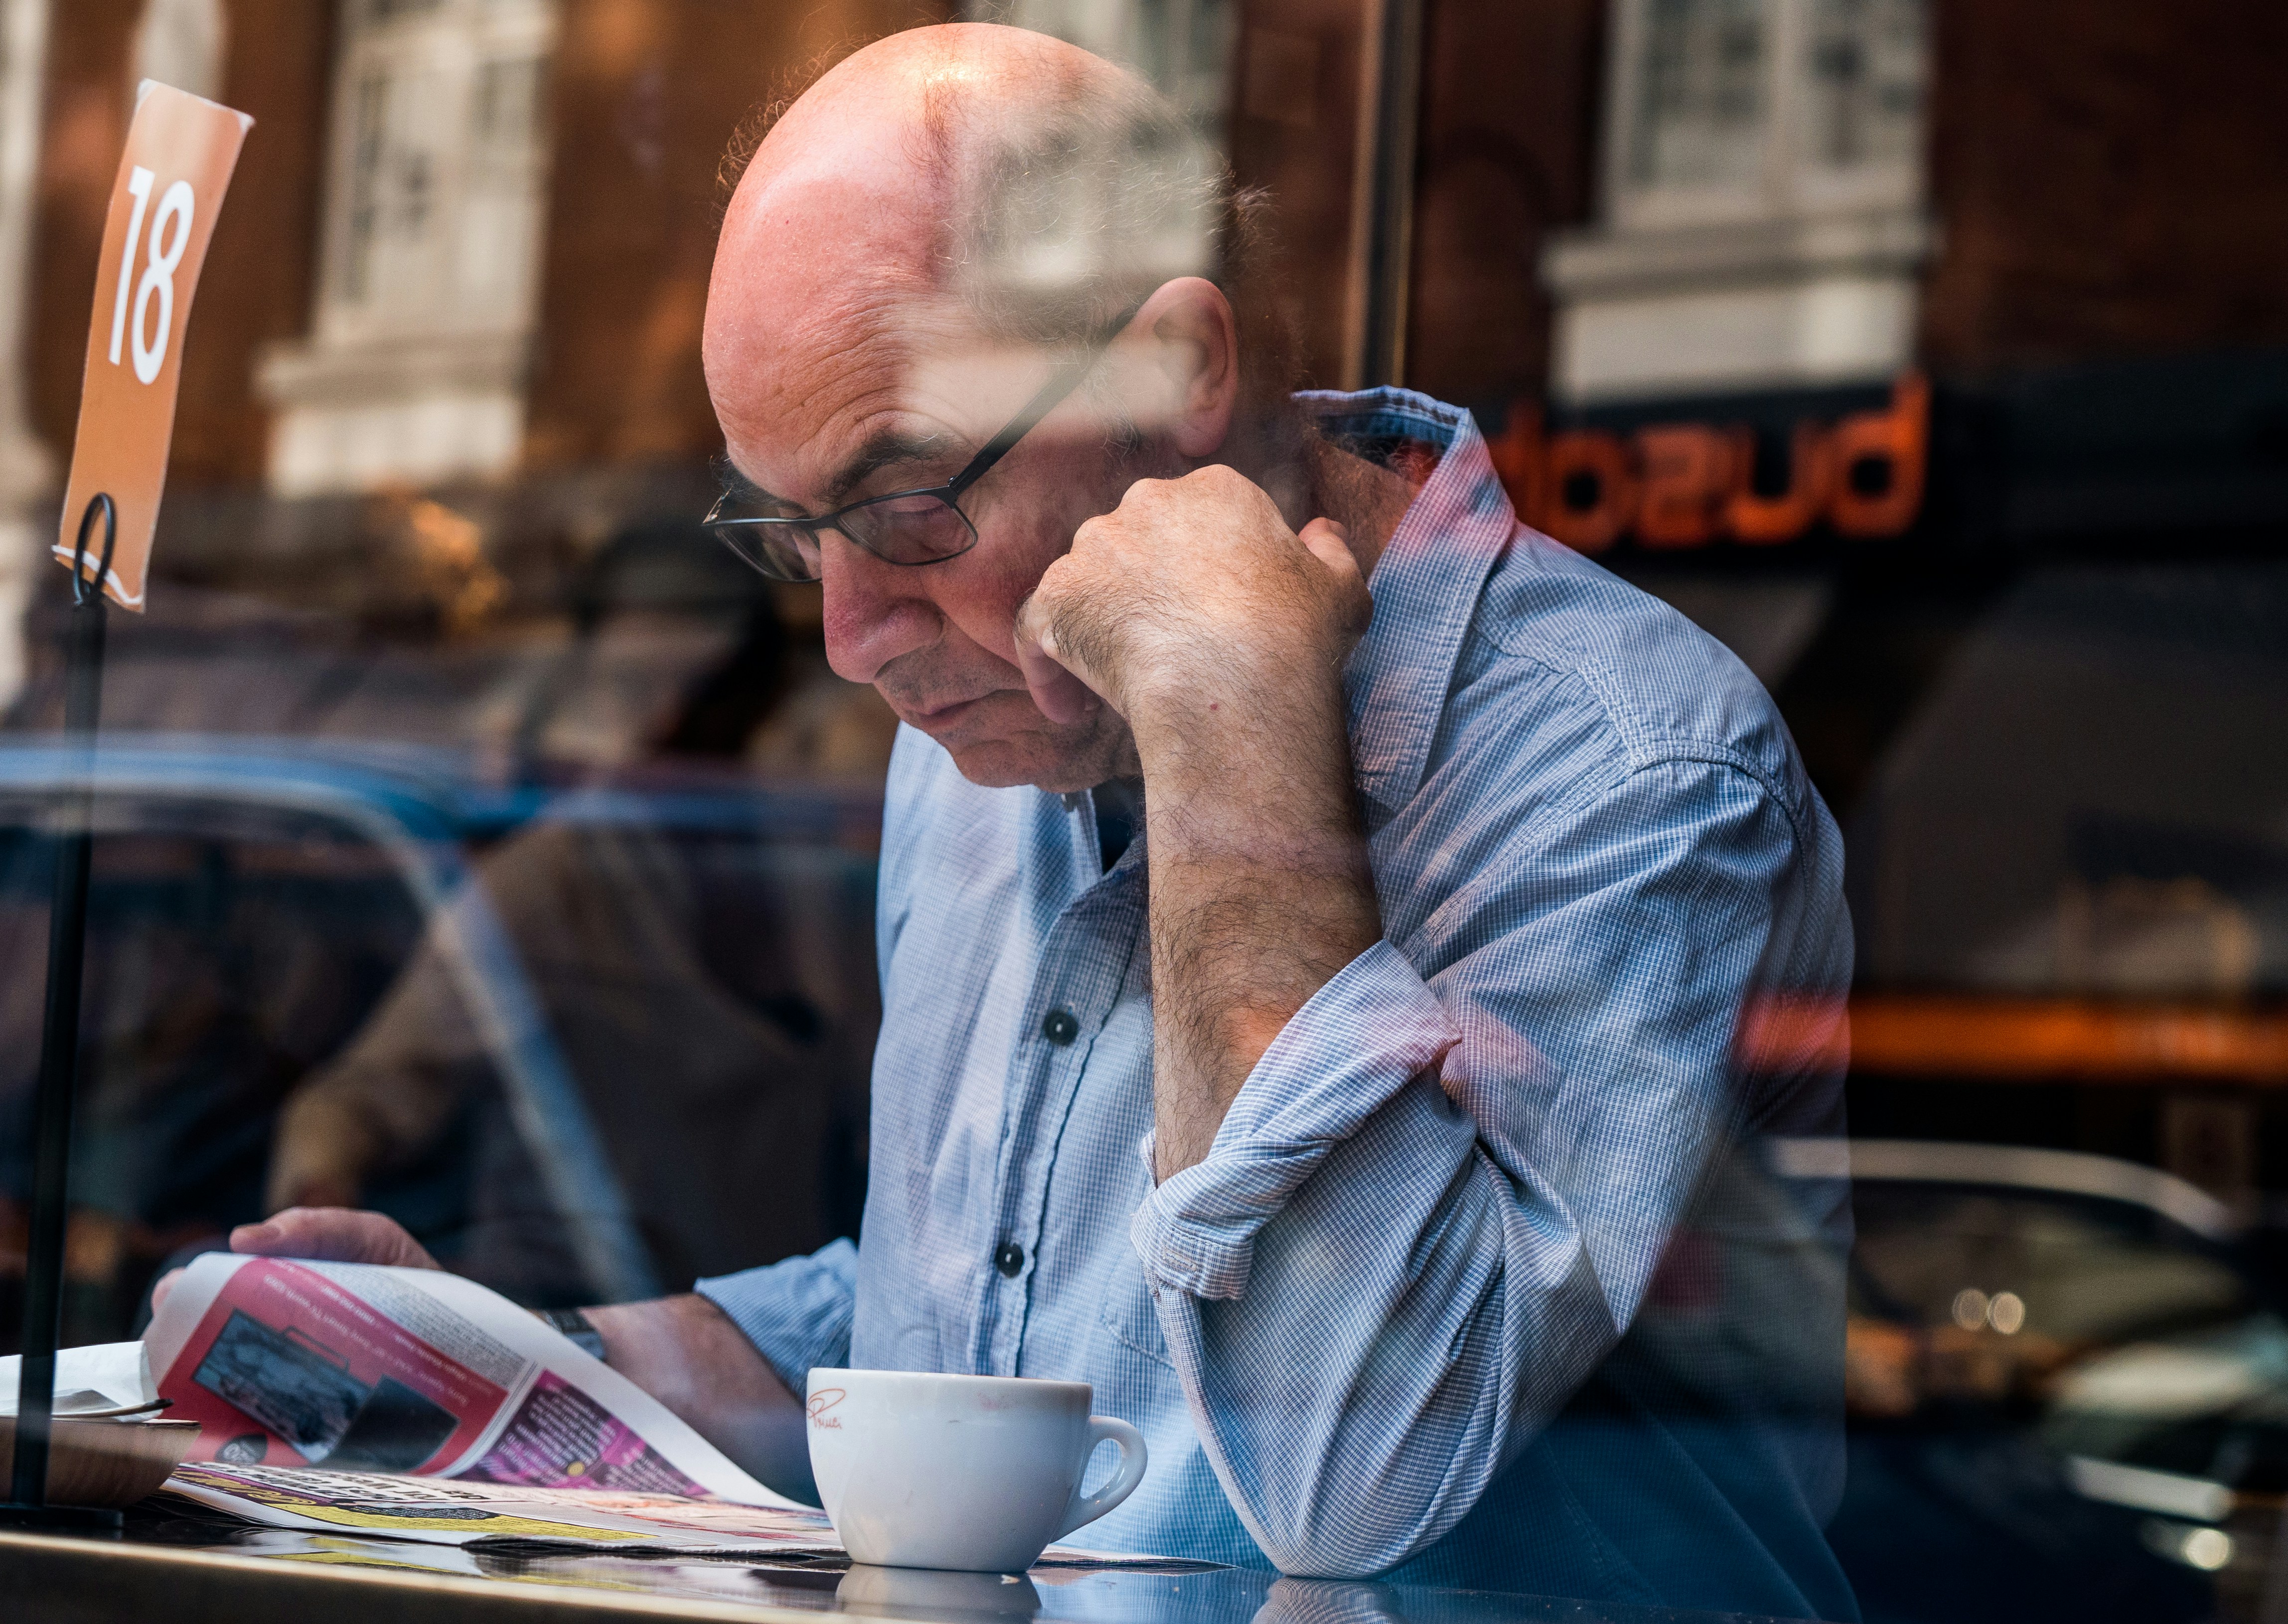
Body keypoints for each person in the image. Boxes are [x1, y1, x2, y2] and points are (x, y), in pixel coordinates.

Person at [161, 24, 1855, 1616]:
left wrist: (1233, 725)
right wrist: (506, 1357)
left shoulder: (1633, 775)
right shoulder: (983, 755)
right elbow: (975, 1321)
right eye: (790, 534)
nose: (849, 638)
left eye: (906, 504)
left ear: (1179, 367)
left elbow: (1352, 1462)